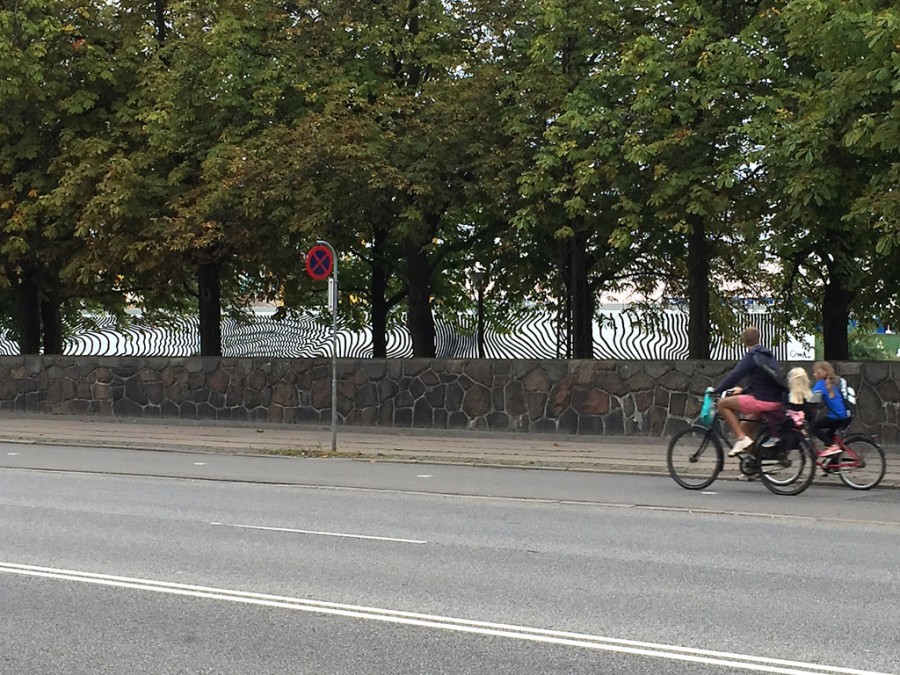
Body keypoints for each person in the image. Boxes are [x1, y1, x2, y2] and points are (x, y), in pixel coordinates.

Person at [713, 327, 786, 457]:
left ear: (744, 342)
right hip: (774, 399)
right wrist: (743, 391)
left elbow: (735, 375)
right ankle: (752, 465)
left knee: (722, 404)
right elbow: (762, 381)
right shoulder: (767, 355)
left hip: (762, 400)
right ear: (759, 338)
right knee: (745, 425)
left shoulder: (752, 356)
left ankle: (741, 439)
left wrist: (717, 390)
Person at [811, 361, 851, 458]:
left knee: (814, 427)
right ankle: (833, 464)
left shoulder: (821, 384)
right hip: (844, 415)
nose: (813, 374)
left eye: (816, 372)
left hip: (837, 416)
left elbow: (812, 399)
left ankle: (833, 447)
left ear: (821, 373)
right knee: (829, 437)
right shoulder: (832, 383)